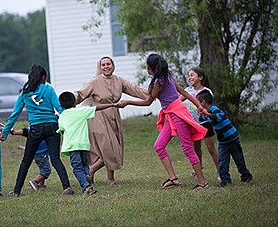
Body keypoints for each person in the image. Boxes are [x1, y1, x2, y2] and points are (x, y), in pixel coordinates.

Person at [117, 54, 209, 189]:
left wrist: (128, 102)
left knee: (187, 148)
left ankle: (203, 182)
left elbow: (148, 102)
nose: (146, 68)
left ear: (151, 68)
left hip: (177, 113)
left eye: (147, 66)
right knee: (159, 146)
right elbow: (183, 91)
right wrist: (199, 105)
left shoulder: (158, 82)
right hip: (170, 114)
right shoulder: (166, 76)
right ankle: (173, 179)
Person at [73, 56, 148, 186]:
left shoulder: (119, 81)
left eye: (108, 64)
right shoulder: (95, 82)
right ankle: (90, 171)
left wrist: (152, 94)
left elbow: (134, 89)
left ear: (113, 66)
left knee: (115, 146)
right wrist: (66, 101)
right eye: (103, 65)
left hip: (114, 115)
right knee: (108, 148)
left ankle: (110, 179)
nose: (106, 66)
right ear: (100, 67)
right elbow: (80, 94)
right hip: (98, 116)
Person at [1, 64, 73, 197]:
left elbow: (15, 114)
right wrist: (72, 117)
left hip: (36, 129)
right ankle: (66, 187)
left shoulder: (25, 93)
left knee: (26, 160)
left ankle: (16, 191)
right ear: (44, 77)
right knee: (56, 159)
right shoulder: (48, 89)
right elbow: (59, 109)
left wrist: (5, 132)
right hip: (52, 126)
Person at [57, 91, 115, 195]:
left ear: (61, 105)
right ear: (75, 103)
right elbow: (97, 108)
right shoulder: (81, 111)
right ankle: (87, 175)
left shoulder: (62, 117)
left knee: (76, 168)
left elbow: (61, 129)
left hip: (72, 146)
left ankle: (86, 186)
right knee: (84, 164)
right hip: (84, 145)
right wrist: (112, 104)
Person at [196, 90, 253, 186]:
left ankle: (246, 176)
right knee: (222, 161)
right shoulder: (207, 113)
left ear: (203, 102)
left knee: (238, 158)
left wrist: (207, 114)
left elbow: (219, 117)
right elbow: (203, 120)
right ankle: (225, 181)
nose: (197, 106)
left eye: (197, 103)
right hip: (223, 141)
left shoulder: (214, 109)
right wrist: (201, 115)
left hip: (232, 138)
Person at [180, 67, 220, 179]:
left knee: (211, 148)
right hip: (193, 124)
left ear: (200, 77)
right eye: (189, 75)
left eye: (192, 75)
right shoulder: (187, 91)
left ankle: (221, 171)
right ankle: (199, 165)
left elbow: (210, 106)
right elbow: (178, 101)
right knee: (196, 147)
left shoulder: (207, 92)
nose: (189, 77)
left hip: (205, 123)